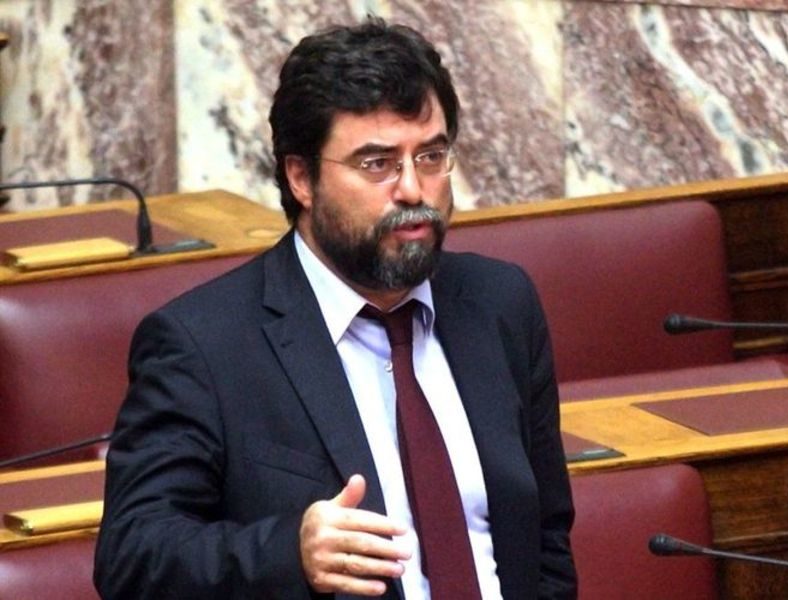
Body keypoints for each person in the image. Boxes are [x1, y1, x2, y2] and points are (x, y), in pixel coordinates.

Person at [94, 17, 576, 600]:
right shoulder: (205, 345)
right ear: (301, 177)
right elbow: (133, 554)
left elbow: (546, 538)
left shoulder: (499, 303)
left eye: (430, 156)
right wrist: (287, 553)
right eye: (377, 164)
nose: (413, 189)